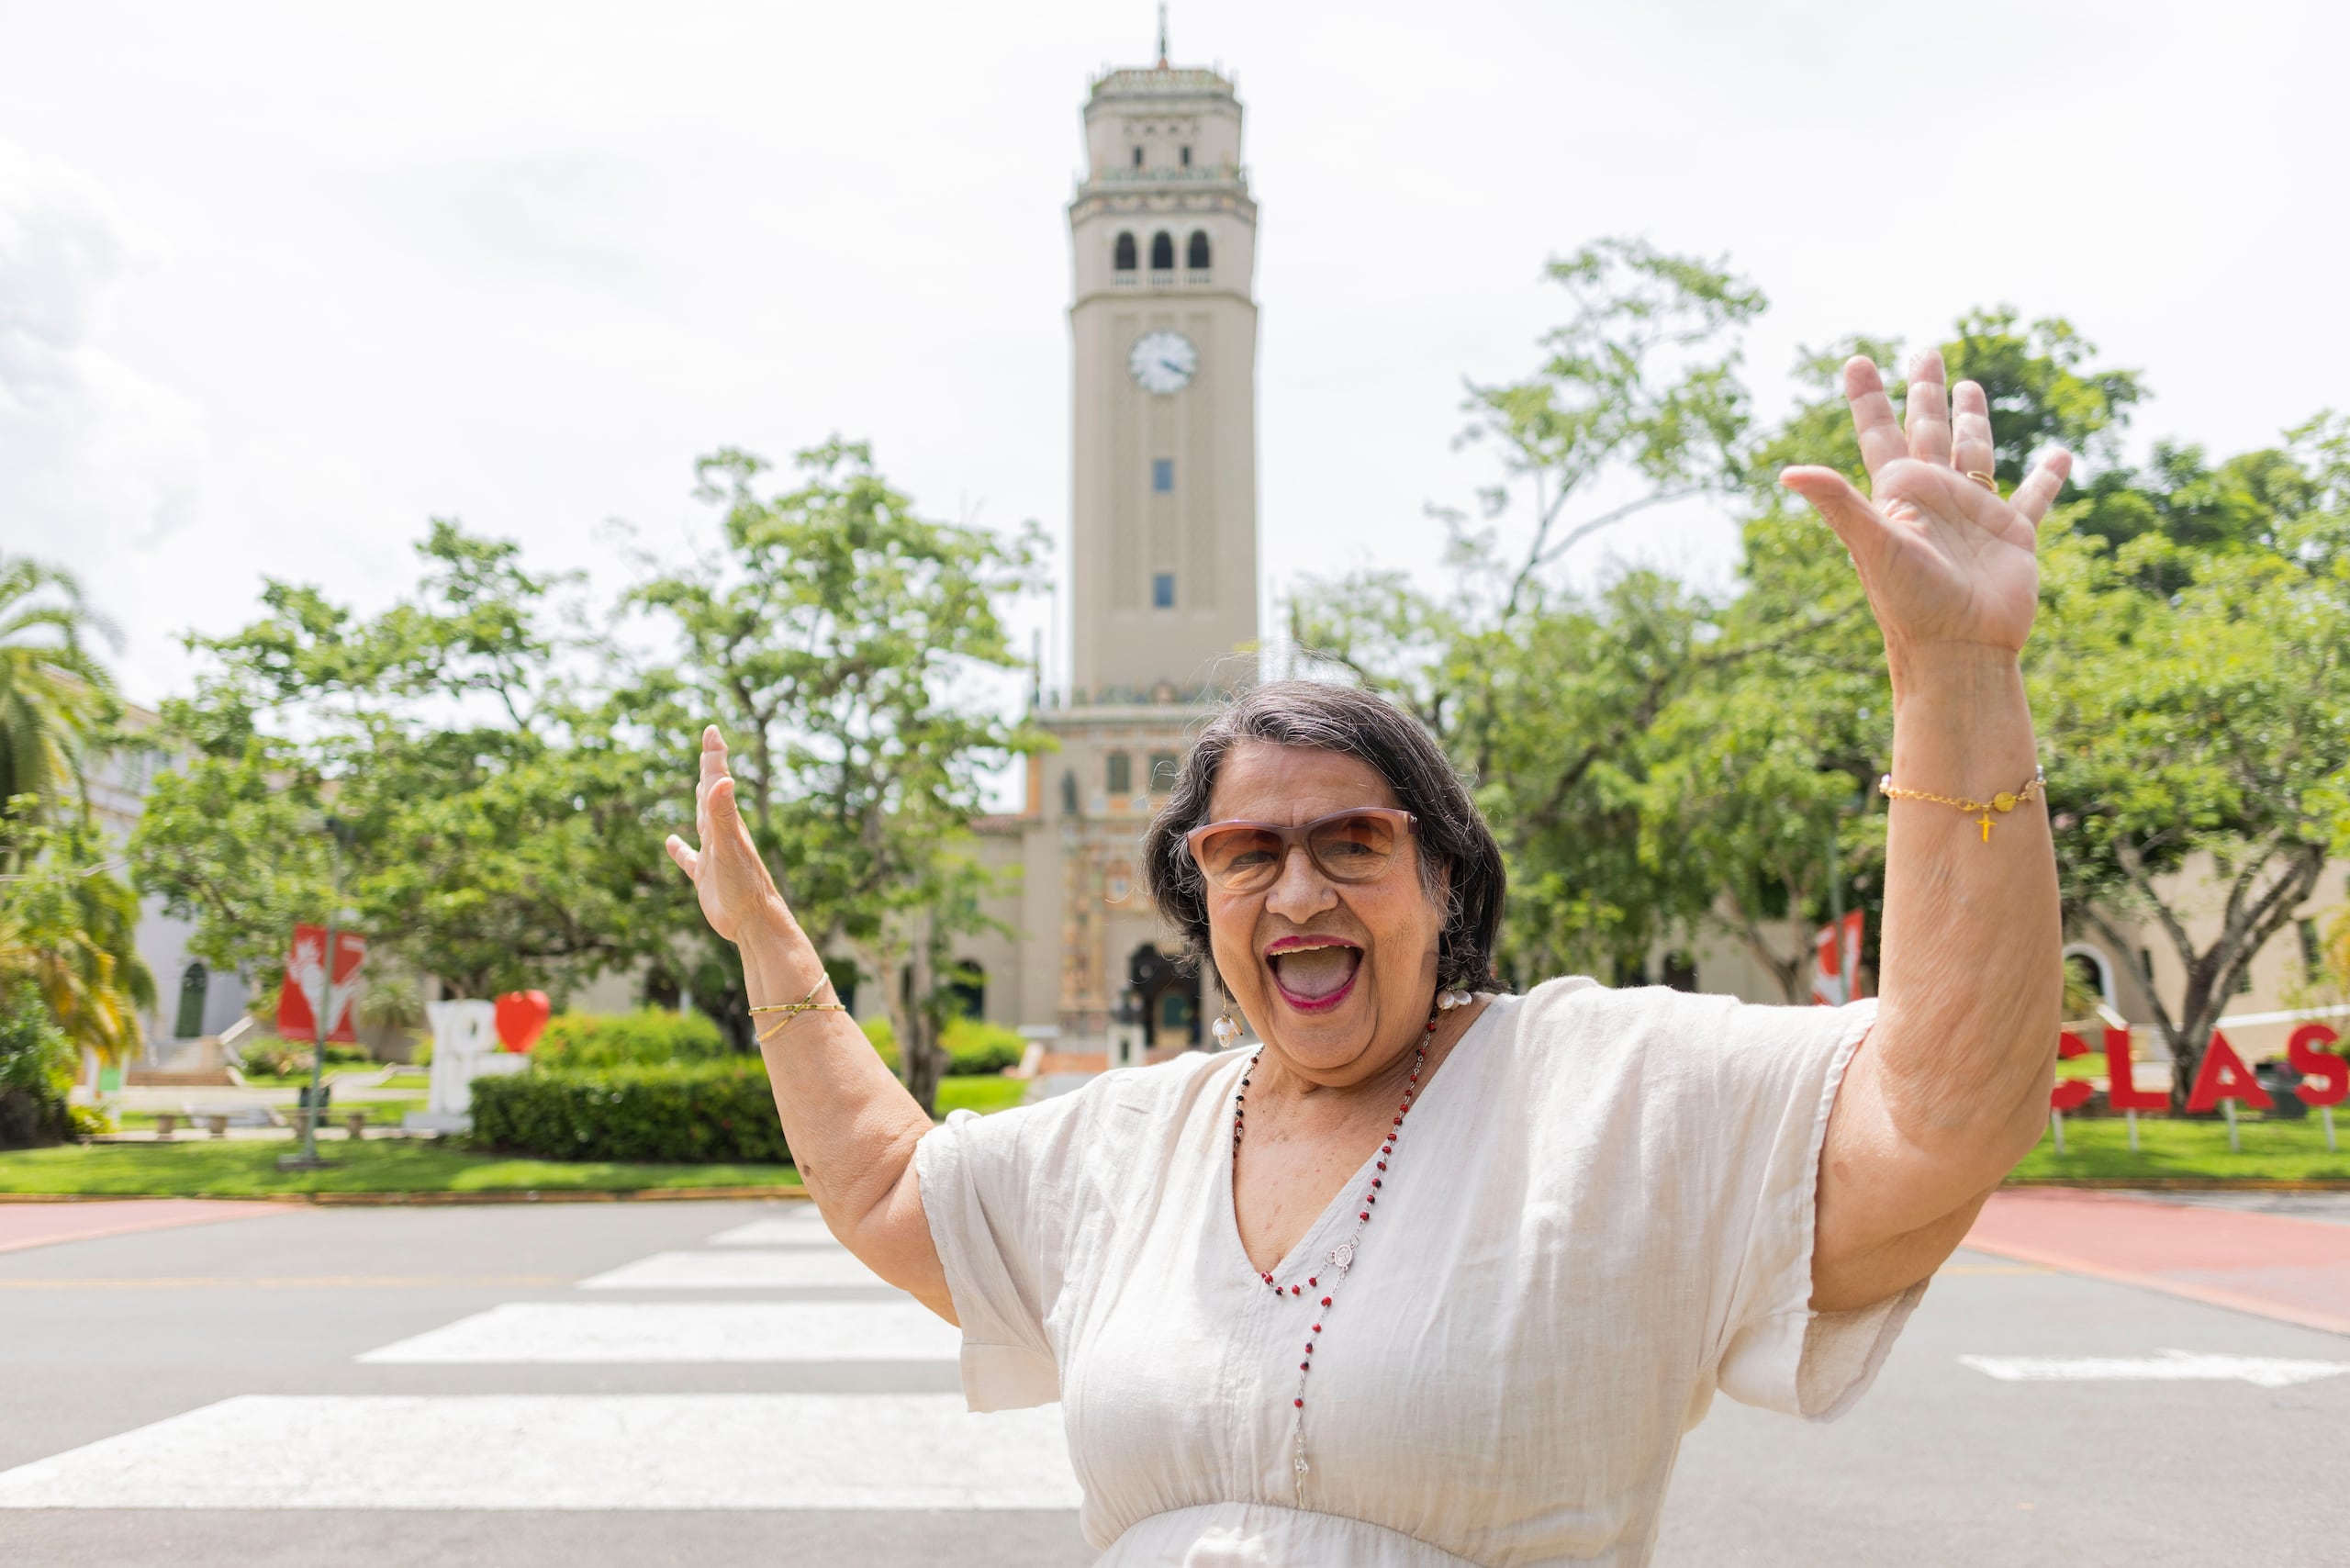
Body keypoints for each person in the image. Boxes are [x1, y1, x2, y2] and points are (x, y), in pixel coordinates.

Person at [665, 353, 2068, 1566]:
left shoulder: (1608, 1088)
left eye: (1352, 842)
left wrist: (1954, 683)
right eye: (1244, 854)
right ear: (1195, 895)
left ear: (1443, 875)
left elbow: (1943, 1113)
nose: (1298, 893)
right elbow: (890, 1188)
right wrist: (770, 946)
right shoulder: (1130, 1143)